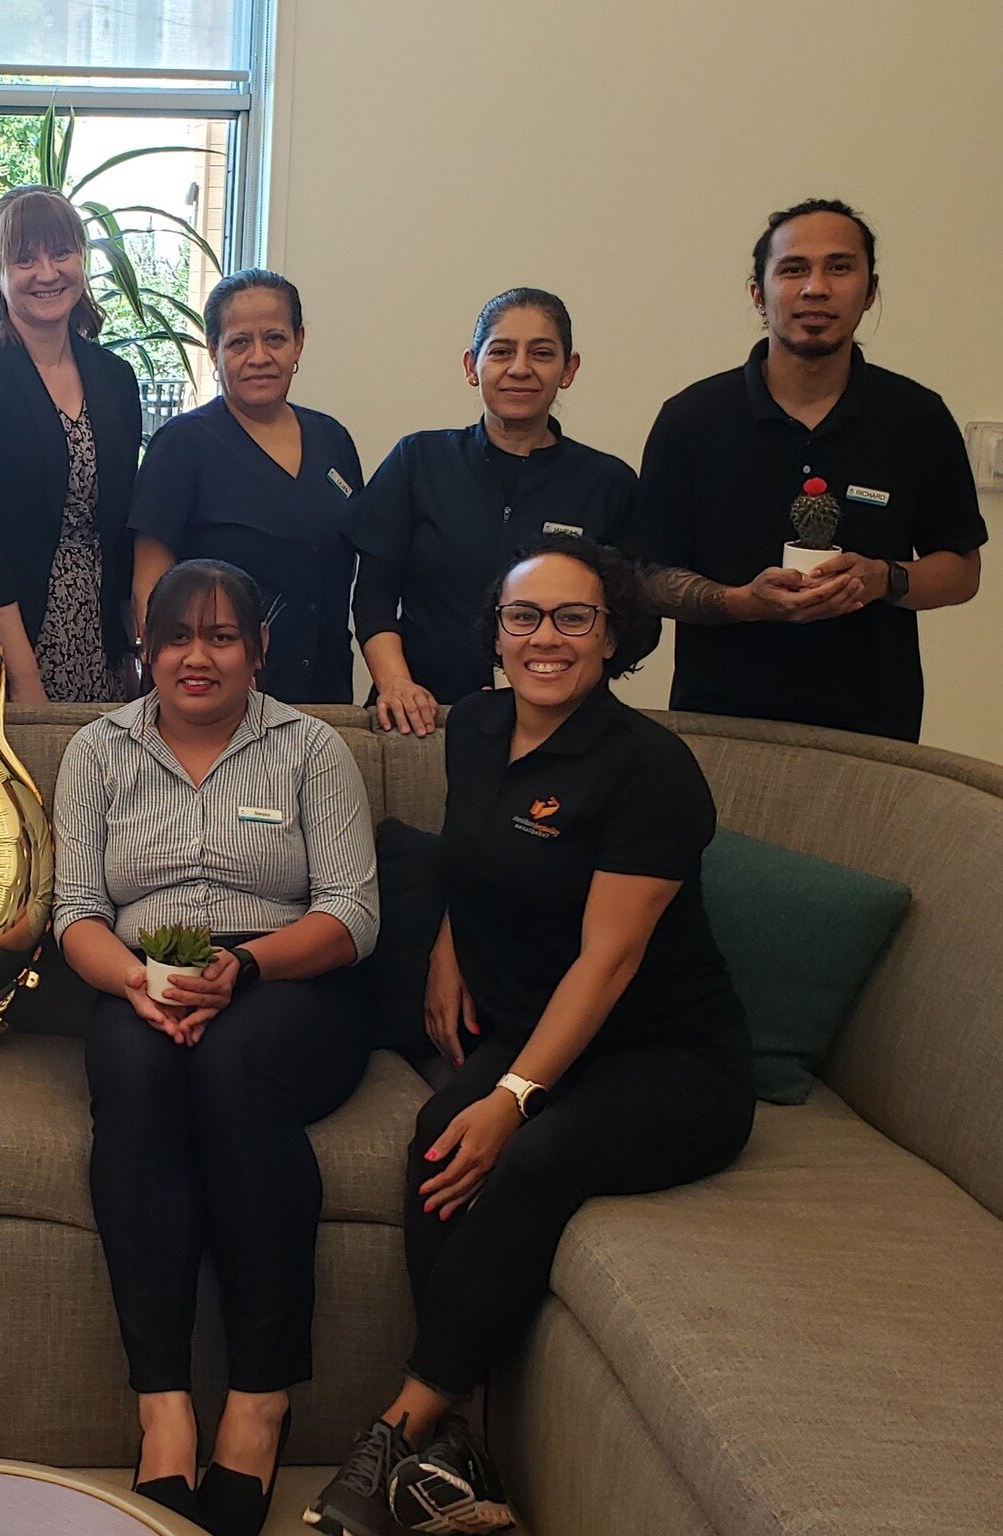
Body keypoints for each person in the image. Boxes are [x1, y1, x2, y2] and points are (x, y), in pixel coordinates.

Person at [306, 534, 756, 1536]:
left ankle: (394, 1437)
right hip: (542, 1036)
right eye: (522, 617)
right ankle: (457, 1445)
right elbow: (477, 853)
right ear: (495, 633)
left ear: (611, 638)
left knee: (523, 1158)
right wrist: (445, 949)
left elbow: (608, 959)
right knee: (437, 1139)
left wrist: (512, 1097)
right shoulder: (473, 725)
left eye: (571, 617)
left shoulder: (649, 769)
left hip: (668, 1060)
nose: (542, 637)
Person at [52, 560, 379, 1536]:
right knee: (130, 1069)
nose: (197, 657)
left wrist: (243, 972)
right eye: (176, 638)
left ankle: (257, 1398)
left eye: (222, 635)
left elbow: (352, 912)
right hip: (141, 971)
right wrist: (134, 983)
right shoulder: (96, 751)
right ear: (144, 651)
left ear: (257, 650)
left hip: (286, 975)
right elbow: (72, 910)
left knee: (235, 1071)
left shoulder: (308, 746)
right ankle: (162, 1411)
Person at [623, 198, 985, 743]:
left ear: (869, 290)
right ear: (758, 294)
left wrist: (885, 579)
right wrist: (741, 602)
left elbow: (962, 571)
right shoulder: (692, 419)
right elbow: (646, 577)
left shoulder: (917, 417)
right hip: (719, 730)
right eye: (793, 269)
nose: (815, 288)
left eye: (839, 268)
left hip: (874, 735)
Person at [350, 289, 635, 735]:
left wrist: (548, 689)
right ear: (471, 366)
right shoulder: (418, 460)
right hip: (422, 716)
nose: (519, 368)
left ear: (568, 370)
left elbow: (627, 620)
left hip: (559, 723)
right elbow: (373, 595)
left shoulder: (607, 482)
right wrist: (397, 684)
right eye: (501, 351)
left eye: (541, 353)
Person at [0, 184, 141, 702]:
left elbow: (121, 524)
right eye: (25, 259)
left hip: (101, 637)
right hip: (12, 640)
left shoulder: (115, 378)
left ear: (82, 261)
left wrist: (131, 650)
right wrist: (24, 677)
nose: (47, 273)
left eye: (61, 253)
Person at [130, 269, 363, 704]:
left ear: (298, 343)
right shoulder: (182, 445)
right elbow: (150, 590)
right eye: (239, 342)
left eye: (274, 339)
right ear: (214, 349)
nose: (259, 356)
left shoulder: (333, 440)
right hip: (215, 700)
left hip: (324, 693)